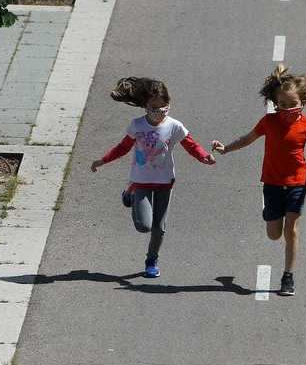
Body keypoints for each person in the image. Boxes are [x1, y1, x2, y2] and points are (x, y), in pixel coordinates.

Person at [211, 64, 306, 296]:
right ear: (275, 103)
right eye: (283, 105)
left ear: (302, 103)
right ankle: (269, 210)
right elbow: (247, 139)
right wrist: (226, 149)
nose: (287, 109)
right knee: (273, 234)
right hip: (272, 182)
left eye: (293, 105)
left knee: (292, 230)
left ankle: (288, 277)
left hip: (298, 181)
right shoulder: (268, 122)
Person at [92, 77, 215, 278]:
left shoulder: (174, 126)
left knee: (159, 228)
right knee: (144, 226)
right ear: (145, 106)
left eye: (163, 107)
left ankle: (152, 259)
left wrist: (205, 157)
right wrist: (102, 161)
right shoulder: (137, 125)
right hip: (140, 181)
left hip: (165, 182)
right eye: (154, 107)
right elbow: (122, 148)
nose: (159, 112)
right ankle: (130, 194)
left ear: (169, 105)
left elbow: (191, 145)